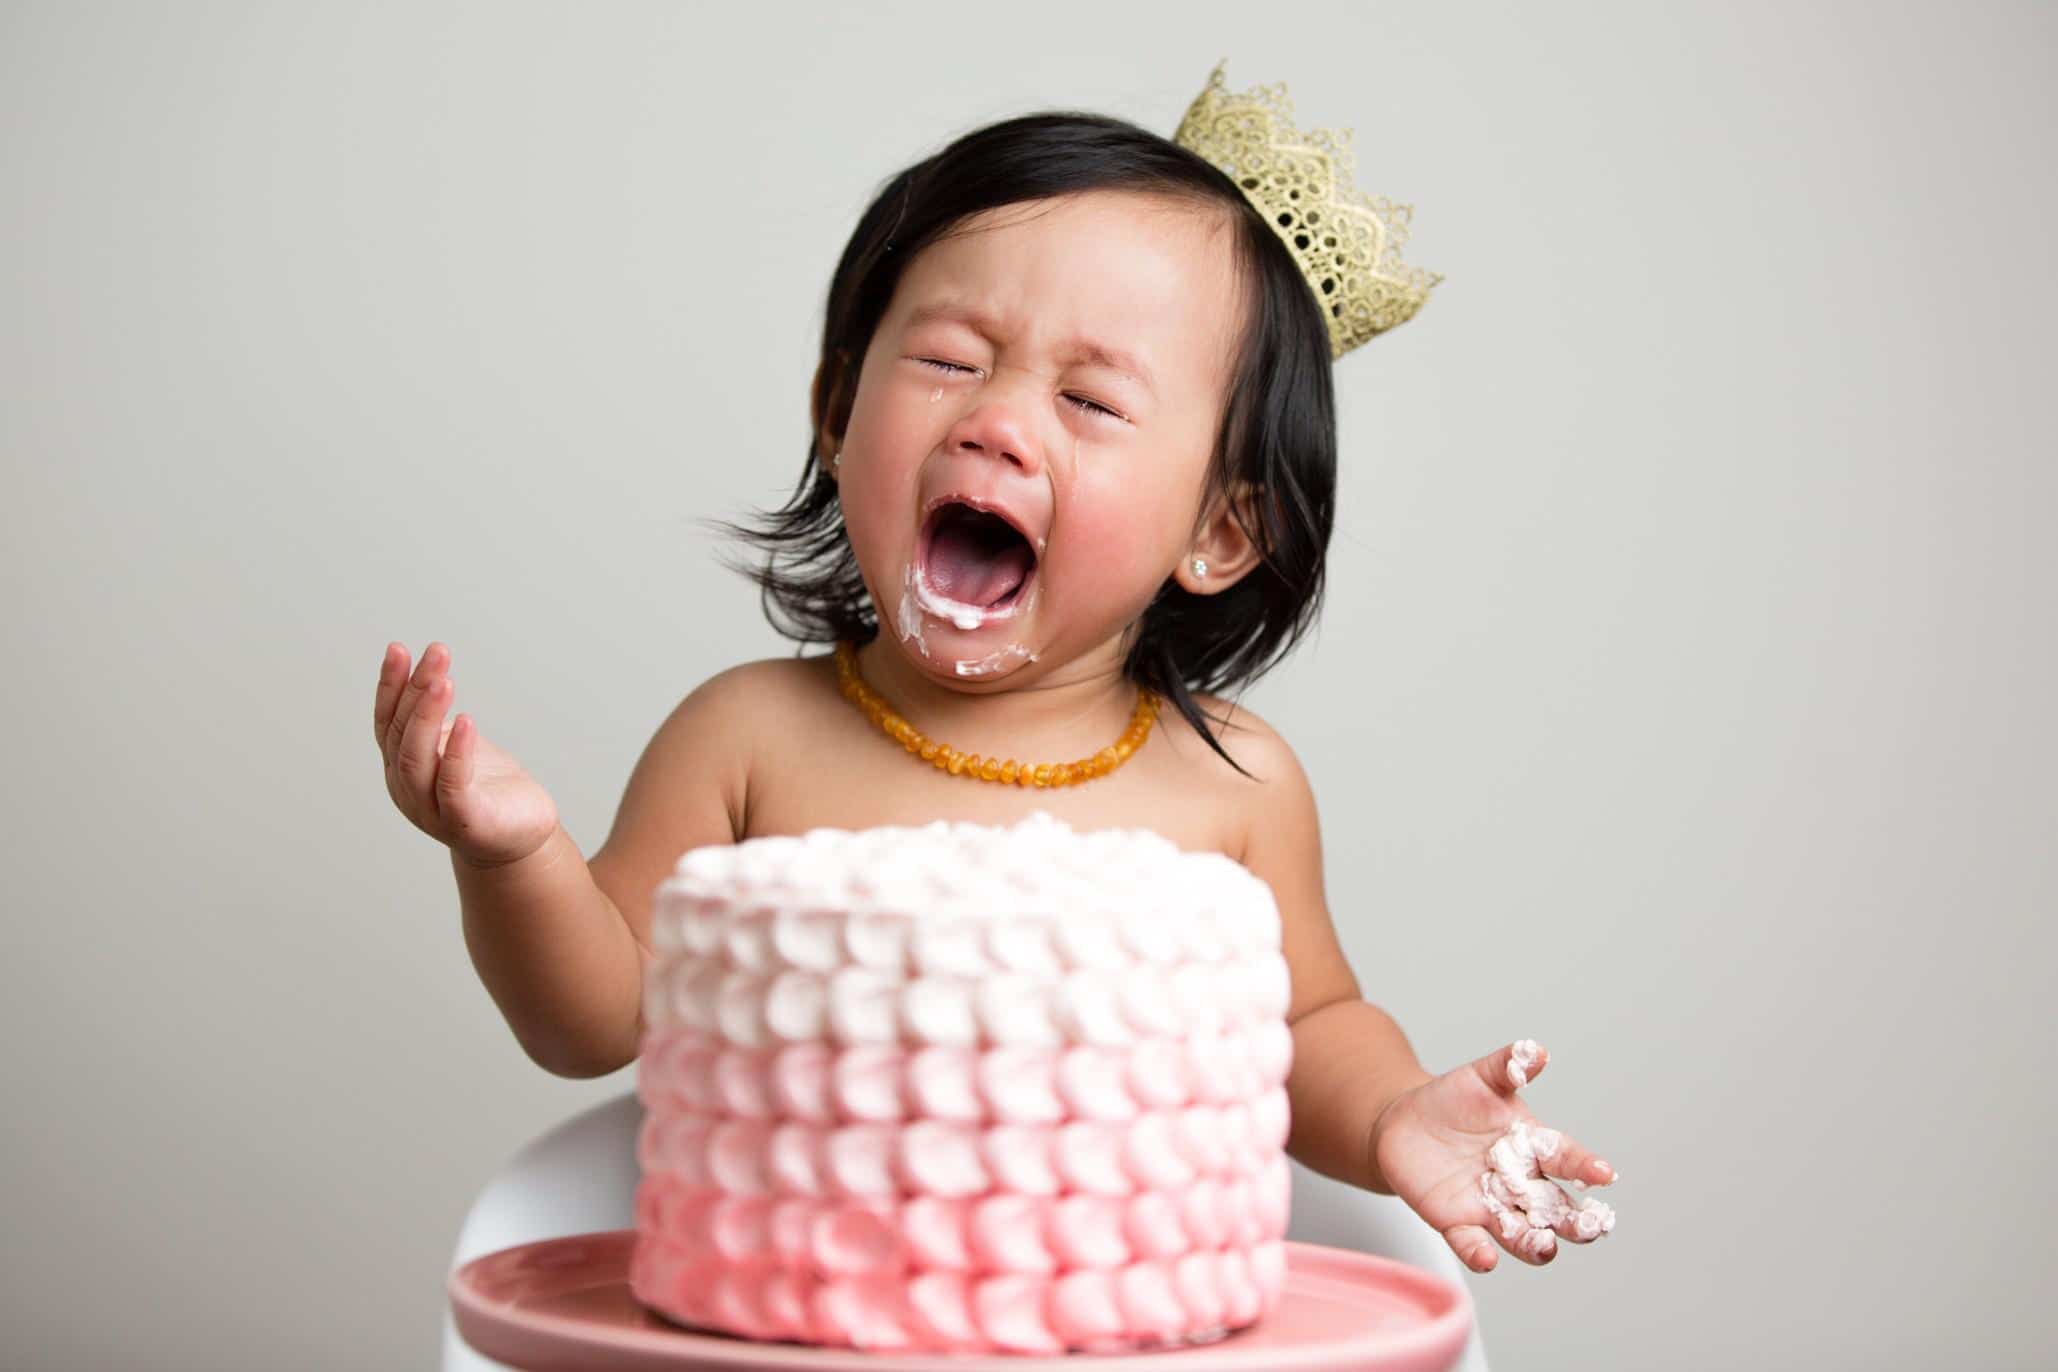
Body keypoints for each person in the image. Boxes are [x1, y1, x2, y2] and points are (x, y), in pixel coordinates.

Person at [373, 67, 1617, 1276]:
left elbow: (1305, 1031)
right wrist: (511, 857)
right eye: (953, 360)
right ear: (839, 406)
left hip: (1122, 1312)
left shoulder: (1233, 783)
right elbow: (589, 1020)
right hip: (781, 1307)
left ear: (1219, 532)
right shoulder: (747, 737)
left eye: (1091, 400)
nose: (996, 421)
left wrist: (1394, 1110)